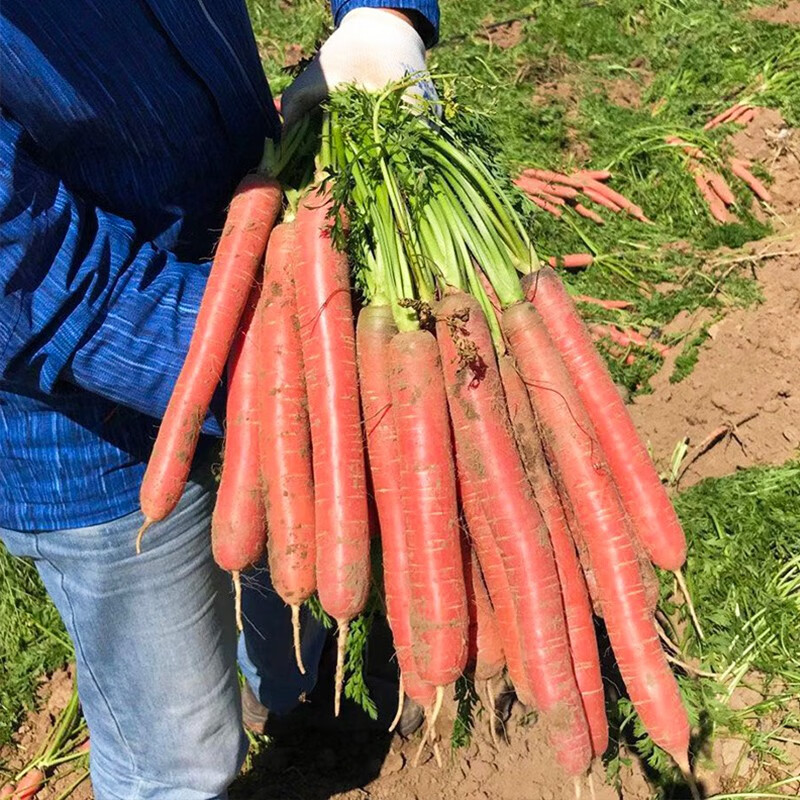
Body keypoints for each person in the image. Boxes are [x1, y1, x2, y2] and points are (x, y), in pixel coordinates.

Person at [0, 2, 439, 797]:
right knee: (180, 759)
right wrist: (264, 366)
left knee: (290, 572)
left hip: (274, 245)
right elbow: (21, 270)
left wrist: (386, 13)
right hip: (83, 430)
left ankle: (290, 692)